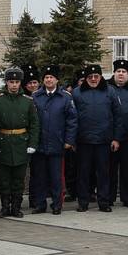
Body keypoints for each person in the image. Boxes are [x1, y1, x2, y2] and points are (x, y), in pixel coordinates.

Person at [0, 68, 38, 218]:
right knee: (4, 179)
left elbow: (34, 125)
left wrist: (32, 144)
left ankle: (16, 207)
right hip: (3, 143)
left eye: (17, 82)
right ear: (6, 83)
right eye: (11, 82)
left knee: (19, 179)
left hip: (21, 144)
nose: (14, 85)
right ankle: (5, 207)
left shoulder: (27, 101)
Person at [71, 63, 118, 213]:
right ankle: (83, 202)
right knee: (83, 173)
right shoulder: (77, 93)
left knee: (103, 173)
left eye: (96, 76)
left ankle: (103, 202)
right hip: (84, 140)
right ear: (85, 78)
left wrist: (115, 138)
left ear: (100, 77)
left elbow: (117, 116)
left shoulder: (110, 91)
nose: (93, 79)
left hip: (104, 140)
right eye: (90, 77)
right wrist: (72, 140)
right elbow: (72, 118)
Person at [31, 67, 76, 214]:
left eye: (51, 77)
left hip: (57, 143)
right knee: (40, 176)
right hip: (39, 143)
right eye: (46, 77)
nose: (49, 80)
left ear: (57, 80)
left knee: (56, 177)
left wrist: (69, 140)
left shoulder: (65, 97)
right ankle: (40, 204)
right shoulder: (36, 96)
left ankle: (57, 204)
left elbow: (72, 120)